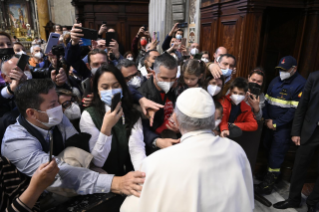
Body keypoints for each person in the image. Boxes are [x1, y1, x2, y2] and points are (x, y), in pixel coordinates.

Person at [1, 79, 145, 201]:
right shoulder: (16, 142)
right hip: (39, 200)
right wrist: (115, 183)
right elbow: (58, 173)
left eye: (58, 101)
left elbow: (77, 146)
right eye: (52, 105)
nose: (59, 108)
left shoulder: (56, 118)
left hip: (72, 176)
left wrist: (94, 169)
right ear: (32, 113)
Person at [120, 88, 254, 212]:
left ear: (176, 121)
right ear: (214, 119)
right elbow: (247, 199)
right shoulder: (236, 151)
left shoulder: (155, 163)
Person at [79, 64, 144, 173]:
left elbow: (137, 150)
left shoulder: (131, 112)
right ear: (97, 91)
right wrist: (106, 128)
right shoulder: (89, 115)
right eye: (104, 87)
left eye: (115, 86)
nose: (111, 91)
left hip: (127, 174)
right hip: (102, 178)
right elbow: (97, 162)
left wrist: (143, 175)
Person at [256, 56, 306, 195]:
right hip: (268, 124)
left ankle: (269, 185)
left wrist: (276, 123)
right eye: (280, 69)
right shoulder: (275, 80)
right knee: (267, 148)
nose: (281, 72)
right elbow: (266, 101)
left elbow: (295, 111)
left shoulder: (301, 84)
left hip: (282, 128)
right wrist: (266, 119)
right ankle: (269, 176)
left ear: (294, 69)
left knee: (276, 154)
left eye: (285, 70)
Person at [273, 70, 319, 211]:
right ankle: (293, 199)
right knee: (299, 166)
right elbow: (302, 105)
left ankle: (313, 202)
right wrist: (296, 132)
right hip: (310, 131)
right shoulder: (315, 76)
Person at [138, 53, 180, 152]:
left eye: (172, 78)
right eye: (164, 78)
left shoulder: (175, 89)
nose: (169, 82)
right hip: (153, 149)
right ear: (153, 73)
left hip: (175, 141)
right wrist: (156, 141)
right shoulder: (142, 96)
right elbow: (139, 130)